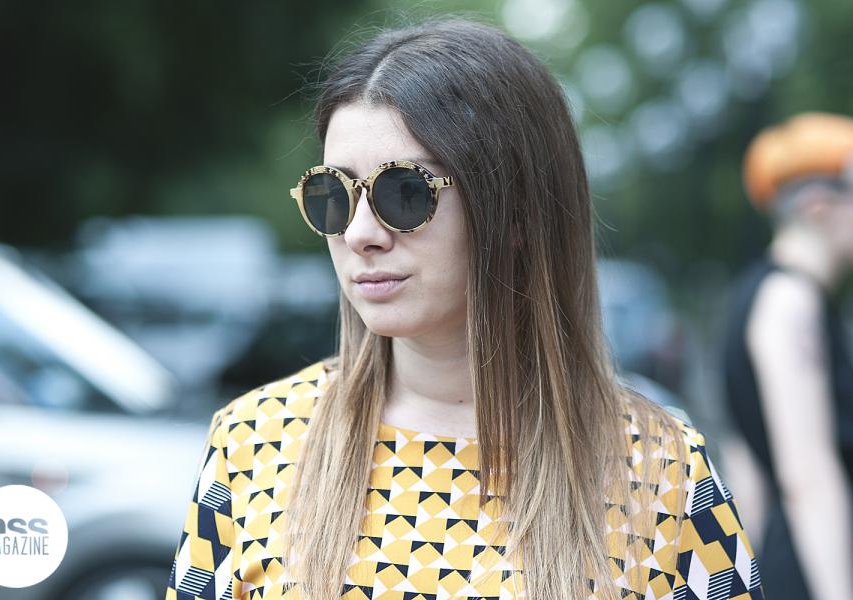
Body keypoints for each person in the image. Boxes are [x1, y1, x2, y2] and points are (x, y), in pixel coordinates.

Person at [166, 17, 764, 599]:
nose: (360, 233)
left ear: (516, 214)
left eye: (404, 191)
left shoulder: (660, 467)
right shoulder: (253, 443)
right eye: (334, 194)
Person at [721, 112, 853, 600]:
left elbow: (744, 464)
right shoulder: (790, 303)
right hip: (816, 575)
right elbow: (808, 476)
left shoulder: (759, 296)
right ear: (819, 205)